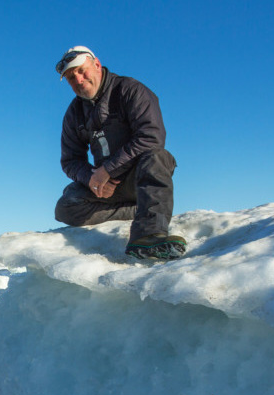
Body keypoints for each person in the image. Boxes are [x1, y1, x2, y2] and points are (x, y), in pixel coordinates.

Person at [54, 46, 186, 260]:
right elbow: (70, 160)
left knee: (158, 157)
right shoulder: (74, 113)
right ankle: (140, 211)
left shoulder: (130, 90)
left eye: (81, 70)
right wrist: (91, 179)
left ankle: (148, 236)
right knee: (66, 207)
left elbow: (151, 137)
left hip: (140, 177)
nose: (77, 79)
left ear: (96, 64)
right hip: (105, 187)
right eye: (70, 77)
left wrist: (107, 169)